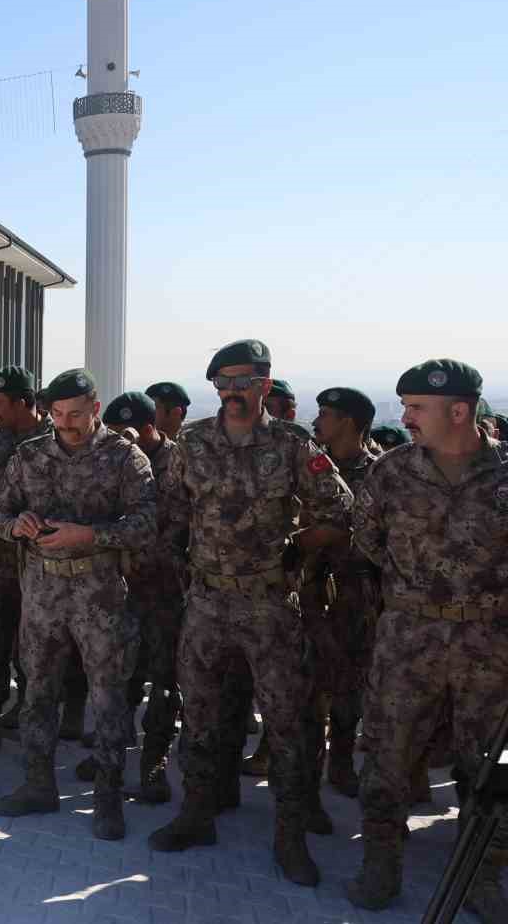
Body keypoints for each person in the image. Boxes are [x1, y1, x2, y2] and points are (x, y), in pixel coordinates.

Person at [149, 339, 352, 889]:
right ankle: (196, 815)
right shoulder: (192, 444)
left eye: (242, 382)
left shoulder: (291, 445)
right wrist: (184, 569)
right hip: (207, 603)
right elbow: (169, 513)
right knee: (200, 718)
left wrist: (299, 546)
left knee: (285, 724)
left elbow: (339, 508)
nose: (232, 393)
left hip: (269, 606)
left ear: (264, 384)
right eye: (223, 383)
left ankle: (289, 837)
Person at [346, 360, 508, 916]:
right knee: (388, 754)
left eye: (417, 408)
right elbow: (368, 540)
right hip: (408, 639)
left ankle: (481, 874)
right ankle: (381, 862)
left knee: (487, 766)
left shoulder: (505, 473)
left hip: (490, 646)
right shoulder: (392, 472)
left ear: (459, 411)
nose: (406, 418)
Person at [0, 369, 155, 841]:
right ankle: (37, 783)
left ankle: (107, 798)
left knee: (109, 696)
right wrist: (16, 524)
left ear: (96, 409)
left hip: (100, 593)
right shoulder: (30, 455)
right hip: (42, 593)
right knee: (37, 690)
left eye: (76, 415)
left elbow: (148, 523)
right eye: (57, 415)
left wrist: (91, 534)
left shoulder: (125, 457)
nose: (66, 424)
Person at [95, 391, 183, 803]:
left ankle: (154, 763)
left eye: (127, 432)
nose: (119, 439)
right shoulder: (112, 461)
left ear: (151, 429)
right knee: (117, 677)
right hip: (120, 588)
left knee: (164, 682)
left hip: (167, 590)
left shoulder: (179, 463)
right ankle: (110, 755)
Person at [0, 365, 65, 739]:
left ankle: (35, 711)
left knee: (39, 646)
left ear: (24, 402)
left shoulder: (58, 440)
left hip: (44, 564)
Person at [308, 387, 381, 800]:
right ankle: (309, 773)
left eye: (327, 413)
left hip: (353, 595)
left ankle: (341, 763)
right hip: (306, 592)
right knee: (307, 688)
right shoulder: (309, 466)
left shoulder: (377, 473)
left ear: (349, 422)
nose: (318, 421)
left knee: (349, 686)